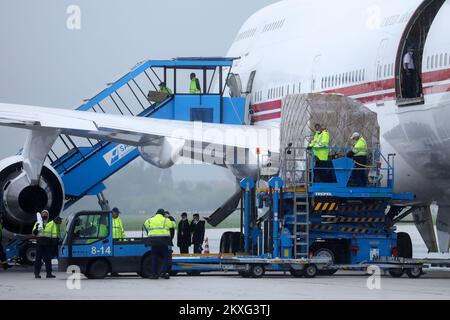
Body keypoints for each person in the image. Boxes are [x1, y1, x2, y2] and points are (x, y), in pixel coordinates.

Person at [32, 210, 60, 279]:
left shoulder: (52, 223)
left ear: (48, 215)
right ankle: (37, 273)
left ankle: (49, 273)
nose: (44, 215)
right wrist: (36, 229)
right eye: (43, 214)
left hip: (48, 243)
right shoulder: (38, 223)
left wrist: (54, 242)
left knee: (48, 259)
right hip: (40, 243)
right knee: (38, 259)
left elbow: (54, 234)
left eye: (45, 214)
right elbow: (34, 232)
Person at [146, 209, 172, 279]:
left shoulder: (150, 220)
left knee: (154, 258)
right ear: (163, 214)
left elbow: (145, 224)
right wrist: (169, 217)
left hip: (153, 242)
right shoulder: (166, 220)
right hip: (163, 241)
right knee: (164, 258)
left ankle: (154, 274)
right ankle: (163, 273)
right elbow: (173, 225)